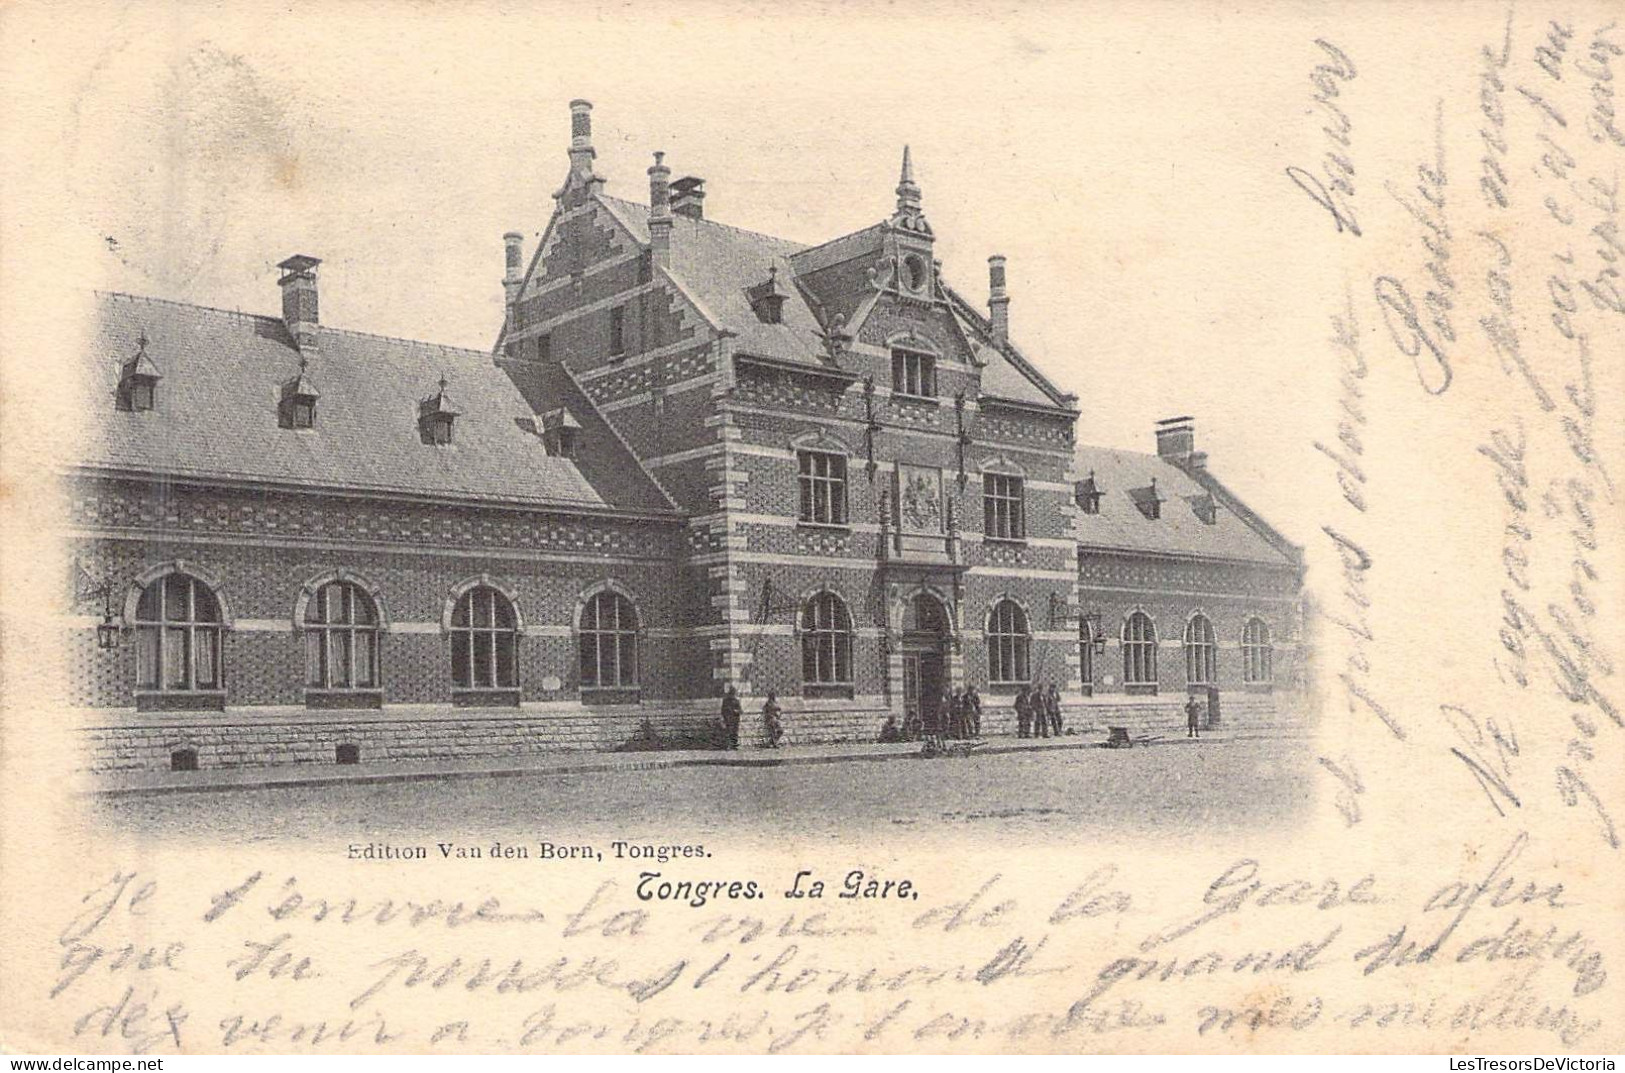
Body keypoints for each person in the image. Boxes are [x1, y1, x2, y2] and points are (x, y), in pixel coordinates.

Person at [720, 685, 742, 749]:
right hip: (728, 719)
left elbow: (740, 710)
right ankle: (728, 745)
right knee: (728, 732)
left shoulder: (736, 701)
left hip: (735, 719)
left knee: (735, 732)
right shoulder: (726, 701)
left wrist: (737, 711)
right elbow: (723, 710)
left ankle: (734, 745)